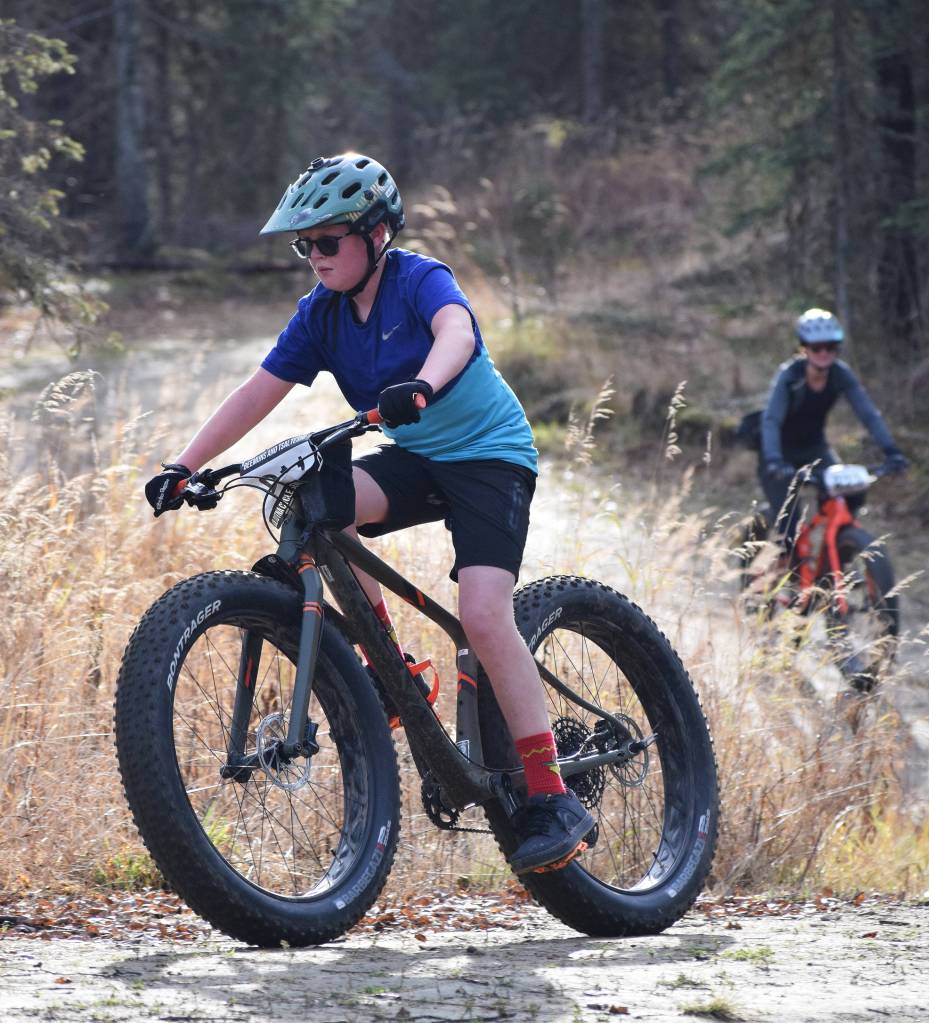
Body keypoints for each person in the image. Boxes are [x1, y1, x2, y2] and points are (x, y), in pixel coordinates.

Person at [144, 152, 595, 874]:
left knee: (482, 611)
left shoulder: (418, 277)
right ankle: (396, 671)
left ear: (377, 234)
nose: (313, 257)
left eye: (327, 241)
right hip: (418, 459)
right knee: (322, 501)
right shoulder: (320, 315)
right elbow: (258, 391)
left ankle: (552, 793)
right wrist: (184, 463)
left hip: (489, 456)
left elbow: (458, 333)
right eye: (304, 245)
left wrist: (421, 382)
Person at [759, 308, 908, 550]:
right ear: (804, 347)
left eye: (831, 347)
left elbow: (868, 415)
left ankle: (841, 552)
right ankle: (782, 571)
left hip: (815, 449)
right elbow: (771, 420)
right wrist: (774, 460)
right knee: (789, 531)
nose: (824, 353)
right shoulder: (790, 376)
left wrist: (892, 451)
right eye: (817, 348)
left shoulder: (840, 374)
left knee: (850, 494)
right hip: (780, 455)